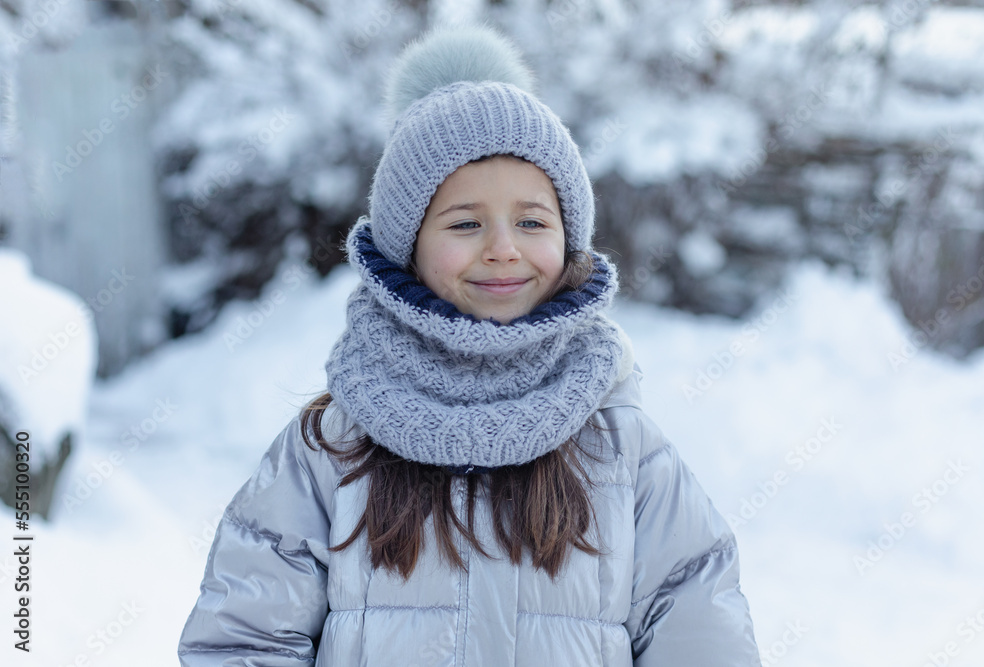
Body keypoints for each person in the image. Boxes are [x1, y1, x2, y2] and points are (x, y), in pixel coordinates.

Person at [178, 24, 760, 667]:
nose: (504, 247)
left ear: (569, 238)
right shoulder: (332, 448)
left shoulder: (623, 449)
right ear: (410, 245)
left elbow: (700, 631)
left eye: (532, 221)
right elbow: (243, 640)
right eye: (465, 223)